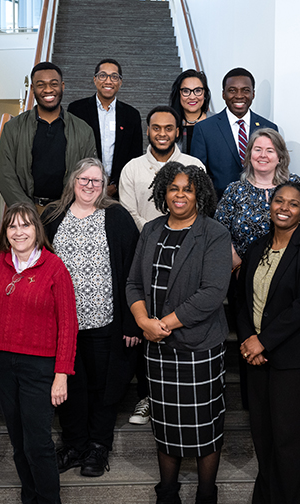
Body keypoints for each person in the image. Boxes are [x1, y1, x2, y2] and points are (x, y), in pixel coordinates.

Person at [126, 162, 231, 504]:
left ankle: (206, 499)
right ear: (163, 193)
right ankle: (167, 497)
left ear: (199, 193)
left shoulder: (214, 233)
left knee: (204, 431)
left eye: (187, 189)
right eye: (173, 188)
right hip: (156, 348)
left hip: (198, 347)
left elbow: (213, 293)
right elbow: (134, 283)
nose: (180, 195)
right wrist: (143, 322)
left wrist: (164, 324)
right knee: (166, 429)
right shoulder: (152, 229)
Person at [0, 202, 77, 504]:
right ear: (6, 232)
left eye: (26, 226)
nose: (19, 232)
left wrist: (61, 373)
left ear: (37, 231)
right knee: (17, 442)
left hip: (39, 367)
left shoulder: (54, 267)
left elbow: (68, 326)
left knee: (38, 442)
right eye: (12, 226)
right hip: (3, 365)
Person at [236, 181, 300, 504]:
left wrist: (264, 342)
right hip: (257, 354)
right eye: (279, 201)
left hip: (295, 358)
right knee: (263, 434)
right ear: (270, 205)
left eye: (293, 203)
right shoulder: (257, 246)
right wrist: (247, 338)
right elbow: (242, 299)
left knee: (288, 437)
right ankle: (266, 503)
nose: (284, 207)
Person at [214, 127, 300, 409]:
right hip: (243, 280)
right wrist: (241, 265)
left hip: (289, 286)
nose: (263, 155)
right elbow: (218, 235)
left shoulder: (296, 187)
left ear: (280, 157)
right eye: (257, 149)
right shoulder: (234, 190)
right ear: (248, 154)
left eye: (270, 150)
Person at [42, 158, 140, 477]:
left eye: (96, 181)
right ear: (73, 181)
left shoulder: (117, 217)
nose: (89, 186)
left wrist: (130, 321)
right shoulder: (53, 216)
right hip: (62, 324)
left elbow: (131, 272)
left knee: (103, 388)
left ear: (104, 186)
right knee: (69, 387)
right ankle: (74, 445)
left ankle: (98, 447)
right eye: (84, 180)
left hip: (105, 322)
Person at [118, 105, 204, 425]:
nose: (163, 133)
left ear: (178, 131)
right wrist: (155, 236)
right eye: (157, 128)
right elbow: (128, 214)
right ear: (148, 131)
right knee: (148, 323)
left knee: (180, 321)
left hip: (187, 258)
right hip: (144, 254)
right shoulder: (132, 169)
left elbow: (203, 210)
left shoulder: (194, 165)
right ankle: (147, 396)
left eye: (169, 128)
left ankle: (180, 395)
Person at [0, 61, 96, 211]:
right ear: (32, 89)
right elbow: (5, 176)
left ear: (62, 86)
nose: (48, 89)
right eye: (41, 84)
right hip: (28, 210)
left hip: (69, 211)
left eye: (53, 84)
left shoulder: (83, 130)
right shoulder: (13, 128)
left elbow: (90, 176)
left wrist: (71, 209)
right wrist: (27, 211)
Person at [190, 67, 278, 198]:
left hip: (261, 208)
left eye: (245, 90)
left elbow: (275, 171)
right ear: (223, 94)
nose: (239, 96)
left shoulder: (269, 128)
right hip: (218, 209)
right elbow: (198, 176)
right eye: (232, 90)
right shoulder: (204, 129)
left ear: (253, 94)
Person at [68, 58, 143, 198]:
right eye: (103, 75)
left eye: (114, 76)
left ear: (120, 82)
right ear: (95, 79)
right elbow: (71, 151)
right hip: (84, 188)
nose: (108, 81)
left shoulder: (131, 115)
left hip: (119, 191)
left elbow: (135, 156)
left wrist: (116, 185)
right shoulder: (76, 110)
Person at [169, 69, 211, 153]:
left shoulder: (217, 122)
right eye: (186, 91)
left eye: (198, 90)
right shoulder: (169, 123)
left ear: (205, 94)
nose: (192, 97)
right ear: (178, 94)